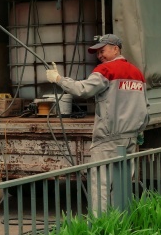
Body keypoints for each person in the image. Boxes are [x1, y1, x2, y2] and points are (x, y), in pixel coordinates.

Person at [46, 33, 150, 216]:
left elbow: (82, 89)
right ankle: (120, 222)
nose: (99, 55)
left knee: (100, 183)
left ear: (116, 49)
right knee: (123, 183)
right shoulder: (137, 73)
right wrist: (140, 130)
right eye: (98, 52)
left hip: (108, 138)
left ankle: (99, 227)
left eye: (102, 50)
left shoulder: (106, 71)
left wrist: (58, 79)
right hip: (131, 138)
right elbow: (145, 106)